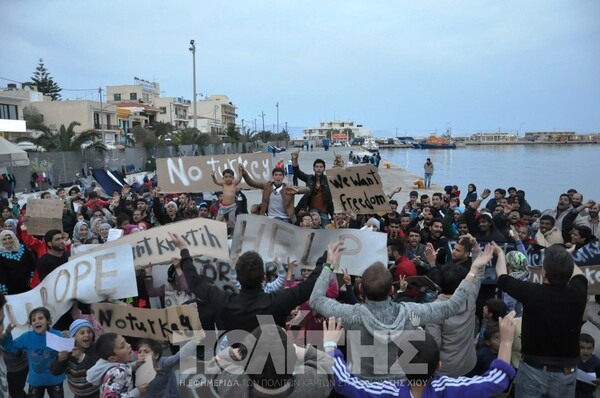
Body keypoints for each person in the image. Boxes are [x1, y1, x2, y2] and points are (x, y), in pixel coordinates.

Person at [309, 240, 495, 380]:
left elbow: (316, 300)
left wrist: (329, 265)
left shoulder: (351, 315)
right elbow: (452, 306)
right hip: (402, 386)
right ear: (392, 290)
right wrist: (474, 269)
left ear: (361, 290)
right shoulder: (410, 312)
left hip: (362, 385)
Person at [324, 313, 516, 397]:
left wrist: (330, 345)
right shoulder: (450, 389)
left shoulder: (386, 392)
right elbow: (497, 380)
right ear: (439, 365)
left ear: (398, 362)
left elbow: (344, 382)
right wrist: (506, 341)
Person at [175, 231, 324, 332]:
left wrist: (184, 251)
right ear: (264, 278)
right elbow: (308, 286)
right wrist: (324, 261)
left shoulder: (225, 301)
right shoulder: (279, 300)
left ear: (236, 277)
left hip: (240, 366)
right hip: (274, 368)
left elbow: (195, 283)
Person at [496, 244, 586, 397]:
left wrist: (499, 253)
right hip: (566, 372)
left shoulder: (531, 292)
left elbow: (502, 277)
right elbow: (580, 275)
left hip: (533, 369)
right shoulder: (579, 292)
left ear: (543, 272)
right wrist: (566, 255)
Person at [204, 323, 333, 397]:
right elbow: (327, 363)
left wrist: (244, 349)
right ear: (292, 360)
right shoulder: (310, 385)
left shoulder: (232, 386)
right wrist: (293, 348)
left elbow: (215, 363)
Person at [2, 307, 66, 398]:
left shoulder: (58, 335)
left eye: (40, 318)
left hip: (55, 379)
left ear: (48, 321)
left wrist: (69, 337)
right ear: (31, 324)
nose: (37, 321)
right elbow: (10, 347)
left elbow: (72, 349)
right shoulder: (27, 337)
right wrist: (7, 334)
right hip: (36, 380)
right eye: (33, 320)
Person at [239, 165, 309, 224]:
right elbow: (251, 183)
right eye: (276, 175)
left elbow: (307, 189)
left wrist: (296, 190)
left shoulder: (288, 188)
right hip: (270, 218)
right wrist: (244, 173)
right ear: (273, 177)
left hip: (285, 219)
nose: (278, 177)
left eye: (280, 175)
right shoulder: (267, 186)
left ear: (283, 177)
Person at [136, 335, 201, 398]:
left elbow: (179, 356)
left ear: (156, 355)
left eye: (146, 352)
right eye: (139, 352)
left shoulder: (164, 363)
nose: (142, 354)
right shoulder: (138, 367)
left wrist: (194, 340)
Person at [86, 333, 148, 398]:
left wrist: (135, 365)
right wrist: (137, 392)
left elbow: (124, 369)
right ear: (113, 358)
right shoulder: (116, 373)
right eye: (122, 346)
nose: (129, 345)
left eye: (125, 341)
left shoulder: (117, 365)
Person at [50, 320, 99, 398]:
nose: (87, 335)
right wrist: (59, 360)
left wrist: (81, 357)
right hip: (78, 395)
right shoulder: (68, 350)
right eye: (82, 333)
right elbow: (55, 372)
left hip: (96, 393)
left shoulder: (95, 349)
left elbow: (96, 371)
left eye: (89, 332)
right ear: (74, 336)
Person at [291, 150, 334, 227]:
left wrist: (339, 164)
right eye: (317, 167)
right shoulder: (309, 178)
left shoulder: (328, 180)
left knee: (328, 229)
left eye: (321, 167)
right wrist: (295, 159)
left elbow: (340, 178)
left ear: (324, 169)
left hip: (324, 212)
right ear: (314, 168)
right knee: (310, 227)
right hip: (312, 211)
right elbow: (297, 173)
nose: (319, 169)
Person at [0, 230, 35, 295]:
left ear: (14, 237)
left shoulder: (22, 248)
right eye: (4, 239)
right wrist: (3, 290)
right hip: (11, 289)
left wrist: (32, 276)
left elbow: (32, 263)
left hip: (28, 284)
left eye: (9, 238)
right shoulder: (0, 254)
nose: (7, 241)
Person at [576, 333, 600, 398]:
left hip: (590, 393)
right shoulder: (574, 359)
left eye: (589, 348)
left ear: (593, 349)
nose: (585, 351)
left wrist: (595, 381)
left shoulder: (597, 363)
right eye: (582, 348)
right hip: (574, 391)